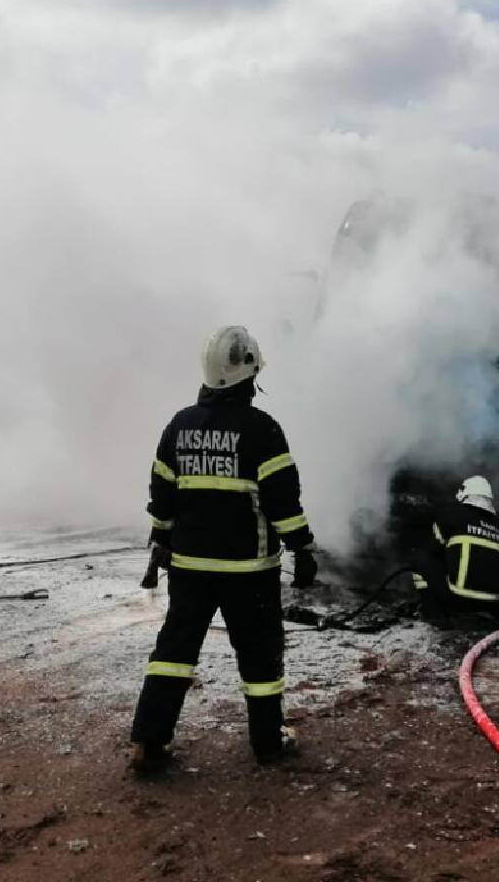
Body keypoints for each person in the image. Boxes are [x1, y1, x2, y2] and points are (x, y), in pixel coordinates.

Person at [130, 325, 318, 775]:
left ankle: (148, 743)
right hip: (248, 570)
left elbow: (162, 496)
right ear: (249, 374)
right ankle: (268, 743)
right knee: (259, 656)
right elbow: (282, 503)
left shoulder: (179, 426)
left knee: (174, 652)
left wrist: (161, 539)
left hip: (190, 567)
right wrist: (304, 549)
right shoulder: (263, 430)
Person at [414, 476, 499, 621]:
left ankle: (437, 618)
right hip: (493, 601)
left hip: (459, 599)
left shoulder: (452, 515)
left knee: (420, 559)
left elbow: (433, 552)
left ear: (465, 493)